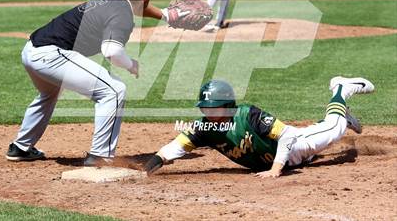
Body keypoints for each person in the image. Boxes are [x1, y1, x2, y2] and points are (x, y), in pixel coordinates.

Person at [5, 0, 188, 166]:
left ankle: (21, 147)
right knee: (114, 90)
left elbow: (138, 6)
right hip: (52, 55)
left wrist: (167, 15)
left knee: (49, 94)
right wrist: (131, 65)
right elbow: (111, 51)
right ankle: (99, 156)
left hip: (32, 50)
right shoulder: (122, 14)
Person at [144, 77, 374, 177]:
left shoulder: (248, 115)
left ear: (228, 106)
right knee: (330, 126)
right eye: (205, 109)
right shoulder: (203, 129)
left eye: (213, 109)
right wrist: (149, 168)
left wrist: (275, 170)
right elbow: (173, 149)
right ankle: (344, 115)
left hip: (296, 145)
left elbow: (284, 136)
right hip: (288, 156)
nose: (208, 113)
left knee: (334, 128)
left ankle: (342, 89)